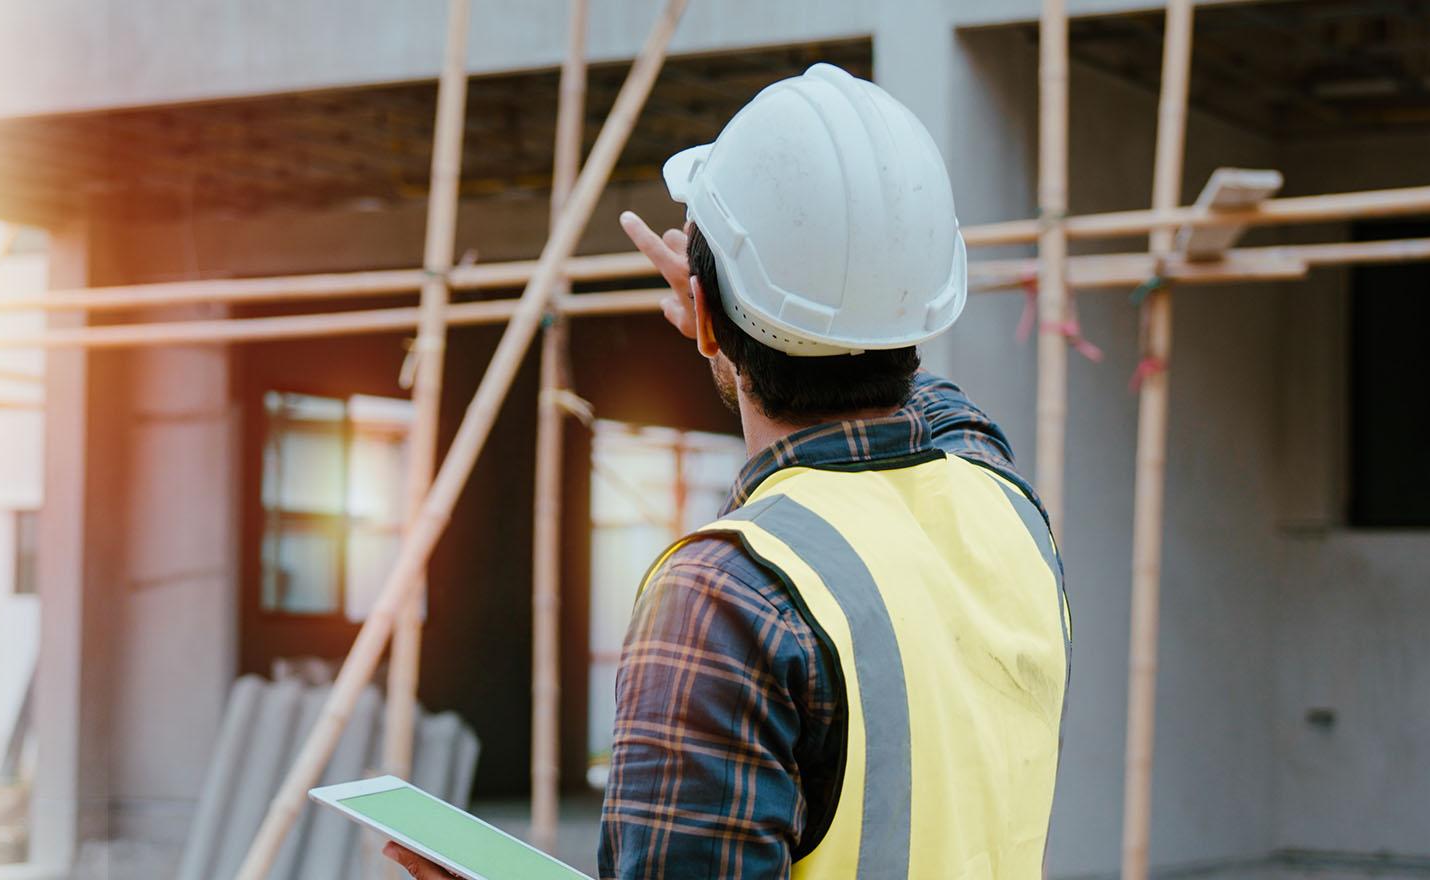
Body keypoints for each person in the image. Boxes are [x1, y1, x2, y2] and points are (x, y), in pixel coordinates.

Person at [386, 64, 1068, 880]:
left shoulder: (727, 596)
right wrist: (752, 307)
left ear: (702, 312)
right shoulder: (1005, 504)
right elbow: (936, 401)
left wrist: (735, 310)